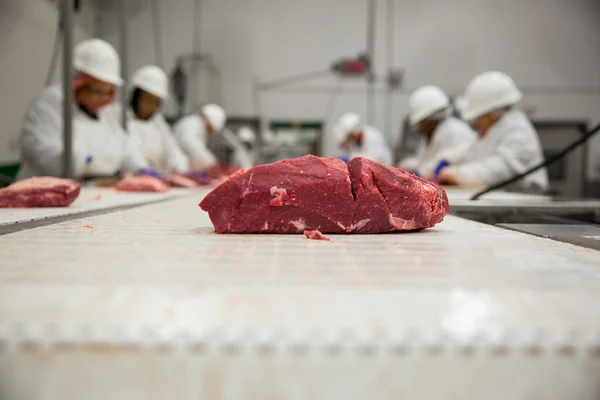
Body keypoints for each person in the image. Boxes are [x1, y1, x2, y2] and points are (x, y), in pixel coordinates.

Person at [19, 39, 149, 179]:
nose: (104, 99)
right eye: (97, 91)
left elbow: (125, 148)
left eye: (109, 92)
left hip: (90, 190)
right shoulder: (49, 104)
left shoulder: (105, 112)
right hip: (44, 193)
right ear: (77, 83)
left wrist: (141, 168)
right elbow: (46, 156)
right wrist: (89, 163)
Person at [437, 71, 549, 192]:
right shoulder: (492, 130)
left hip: (525, 203)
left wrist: (457, 174)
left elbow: (499, 169)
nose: (476, 120)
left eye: (478, 116)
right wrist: (446, 161)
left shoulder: (518, 131)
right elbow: (468, 153)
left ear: (494, 112)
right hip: (501, 200)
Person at [398, 85, 477, 178]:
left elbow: (445, 161)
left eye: (420, 123)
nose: (418, 129)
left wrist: (418, 173)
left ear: (431, 119)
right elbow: (424, 162)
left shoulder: (455, 131)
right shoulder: (430, 134)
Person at [124, 65, 189, 174]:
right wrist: (142, 169)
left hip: (158, 182)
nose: (151, 106)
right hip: (132, 180)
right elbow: (128, 151)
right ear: (135, 97)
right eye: (148, 100)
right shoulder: (122, 119)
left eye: (156, 102)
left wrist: (181, 169)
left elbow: (173, 149)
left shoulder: (158, 122)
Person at [173, 104, 226, 178]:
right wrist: (211, 162)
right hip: (177, 167)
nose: (209, 132)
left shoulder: (197, 125)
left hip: (182, 168)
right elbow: (191, 145)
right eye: (210, 129)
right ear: (210, 123)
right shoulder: (192, 123)